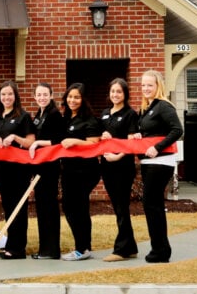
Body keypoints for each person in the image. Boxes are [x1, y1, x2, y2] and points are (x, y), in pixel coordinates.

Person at [131, 70, 184, 264]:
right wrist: (139, 137)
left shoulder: (164, 106)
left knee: (152, 205)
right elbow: (148, 132)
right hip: (148, 162)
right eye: (143, 85)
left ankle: (160, 251)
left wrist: (157, 147)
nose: (146, 88)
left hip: (161, 162)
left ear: (158, 86)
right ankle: (160, 248)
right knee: (152, 206)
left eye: (149, 85)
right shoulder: (146, 109)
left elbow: (177, 130)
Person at [0, 80, 36, 260]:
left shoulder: (23, 116)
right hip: (2, 169)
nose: (6, 97)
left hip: (19, 170)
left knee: (18, 207)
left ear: (15, 96)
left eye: (9, 94)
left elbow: (30, 142)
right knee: (8, 207)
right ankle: (10, 243)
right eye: (3, 94)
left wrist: (15, 138)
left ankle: (18, 249)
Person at [59, 82, 103, 261]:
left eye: (76, 97)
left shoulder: (90, 119)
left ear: (83, 99)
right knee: (69, 206)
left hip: (86, 171)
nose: (72, 100)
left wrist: (75, 142)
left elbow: (94, 143)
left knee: (78, 208)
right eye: (70, 97)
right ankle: (83, 246)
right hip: (69, 170)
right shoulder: (66, 118)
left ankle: (82, 248)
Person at [99, 78, 141, 262]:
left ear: (125, 94)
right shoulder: (105, 113)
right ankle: (130, 246)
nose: (115, 95)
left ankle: (121, 250)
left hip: (122, 167)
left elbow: (131, 141)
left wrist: (117, 156)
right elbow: (101, 137)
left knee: (122, 206)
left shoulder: (130, 114)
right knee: (117, 207)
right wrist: (103, 136)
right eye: (112, 91)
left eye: (119, 92)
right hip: (107, 166)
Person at [27, 82, 66, 260]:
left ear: (51, 96)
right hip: (39, 166)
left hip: (49, 167)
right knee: (41, 207)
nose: (42, 97)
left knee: (49, 206)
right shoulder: (39, 114)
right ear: (35, 97)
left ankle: (52, 249)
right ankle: (44, 249)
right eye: (39, 95)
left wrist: (37, 143)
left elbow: (58, 140)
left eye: (45, 94)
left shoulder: (54, 114)